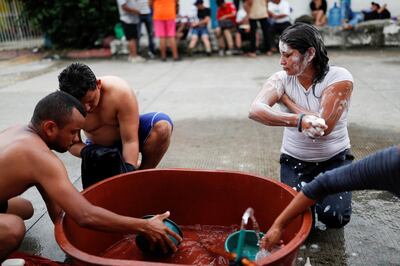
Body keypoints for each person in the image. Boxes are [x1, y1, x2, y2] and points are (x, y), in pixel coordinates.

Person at [0, 91, 181, 260]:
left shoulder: (17, 131)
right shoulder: (41, 158)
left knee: (26, 208)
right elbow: (84, 215)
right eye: (72, 132)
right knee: (13, 228)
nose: (76, 139)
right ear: (50, 127)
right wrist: (145, 226)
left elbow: (57, 210)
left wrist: (74, 241)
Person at [249, 23, 354, 229]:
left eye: (288, 55)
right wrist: (298, 121)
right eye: (281, 55)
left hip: (334, 160)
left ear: (310, 53)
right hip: (294, 160)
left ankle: (322, 197)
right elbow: (255, 110)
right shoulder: (281, 79)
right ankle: (311, 199)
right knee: (298, 224)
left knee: (334, 217)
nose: (282, 62)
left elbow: (321, 127)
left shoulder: (339, 77)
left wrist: (288, 103)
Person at [261, 145, 400, 251]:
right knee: (297, 224)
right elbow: (322, 184)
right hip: (295, 158)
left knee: (336, 215)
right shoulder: (390, 163)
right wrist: (278, 225)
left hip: (336, 156)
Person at [58, 63, 173, 174]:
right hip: (100, 149)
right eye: (80, 105)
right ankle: (124, 167)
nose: (87, 108)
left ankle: (143, 173)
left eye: (90, 101)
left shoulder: (120, 92)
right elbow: (72, 144)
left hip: (130, 137)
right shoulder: (66, 104)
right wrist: (92, 152)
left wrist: (129, 172)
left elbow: (130, 141)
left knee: (162, 127)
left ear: (98, 84)